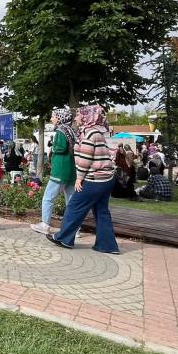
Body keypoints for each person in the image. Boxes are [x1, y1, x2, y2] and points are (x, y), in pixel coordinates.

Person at [46, 105, 120, 254]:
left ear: (87, 116)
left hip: (94, 179)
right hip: (106, 178)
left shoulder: (89, 133)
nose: (76, 117)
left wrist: (79, 178)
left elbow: (85, 159)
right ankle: (107, 245)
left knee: (74, 207)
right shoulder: (99, 131)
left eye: (79, 115)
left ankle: (64, 239)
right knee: (101, 211)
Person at [32, 108, 77, 235]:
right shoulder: (71, 131)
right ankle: (75, 228)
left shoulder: (61, 131)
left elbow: (61, 148)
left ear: (60, 117)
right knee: (71, 200)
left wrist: (53, 146)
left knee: (48, 197)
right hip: (71, 169)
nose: (52, 119)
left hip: (60, 170)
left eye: (54, 116)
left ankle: (45, 224)